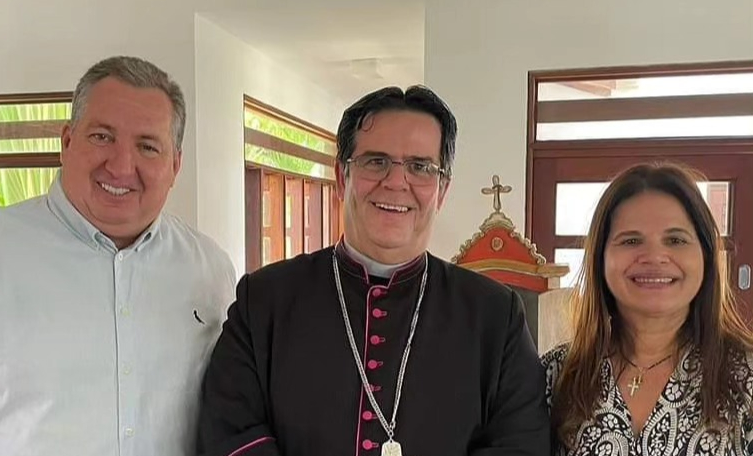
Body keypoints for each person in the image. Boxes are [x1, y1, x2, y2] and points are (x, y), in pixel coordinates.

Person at [196, 85, 550, 456]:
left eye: (420, 167)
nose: (396, 182)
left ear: (442, 190)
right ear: (342, 176)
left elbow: (521, 445)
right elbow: (231, 433)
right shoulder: (263, 300)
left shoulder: (496, 316)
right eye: (376, 161)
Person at [0, 56, 236, 456]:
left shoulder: (210, 270)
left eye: (147, 146)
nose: (121, 166)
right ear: (67, 142)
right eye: (102, 137)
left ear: (175, 165)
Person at [542, 162, 753, 455]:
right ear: (601, 257)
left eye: (676, 240)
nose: (654, 256)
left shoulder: (745, 376)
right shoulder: (556, 375)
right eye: (631, 240)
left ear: (705, 255)